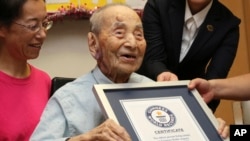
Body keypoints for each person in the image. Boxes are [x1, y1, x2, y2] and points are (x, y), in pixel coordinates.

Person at [30, 3, 228, 141]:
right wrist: (82, 139)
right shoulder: (69, 97)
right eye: (119, 33)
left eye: (139, 35)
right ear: (93, 43)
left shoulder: (157, 92)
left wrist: (211, 128)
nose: (132, 43)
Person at [137, 0, 241, 113]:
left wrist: (204, 115)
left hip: (190, 100)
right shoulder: (158, 4)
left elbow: (215, 79)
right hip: (145, 92)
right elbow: (153, 58)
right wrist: (162, 73)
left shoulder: (229, 24)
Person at [0, 0, 53, 140]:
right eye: (32, 26)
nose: (42, 35)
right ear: (2, 28)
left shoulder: (44, 80)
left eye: (45, 24)